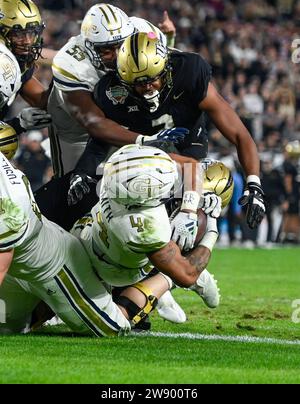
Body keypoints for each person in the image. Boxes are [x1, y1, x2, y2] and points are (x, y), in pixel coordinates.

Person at [79, 31, 266, 250]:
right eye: (139, 84)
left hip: (188, 150)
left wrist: (254, 183)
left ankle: (202, 234)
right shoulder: (111, 91)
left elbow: (239, 134)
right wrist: (83, 170)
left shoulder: (189, 73)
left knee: (217, 183)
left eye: (152, 79)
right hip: (146, 160)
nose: (147, 88)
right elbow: (100, 135)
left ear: (166, 69)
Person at [0, 122, 178, 336]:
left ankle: (165, 278)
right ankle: (45, 307)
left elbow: (3, 260)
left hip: (54, 267)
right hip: (20, 267)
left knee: (113, 328)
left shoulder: (8, 200)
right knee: (7, 327)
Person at [71, 144, 222, 324]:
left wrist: (189, 207)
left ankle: (163, 276)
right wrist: (212, 226)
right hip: (116, 270)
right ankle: (166, 279)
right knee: (113, 322)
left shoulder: (118, 173)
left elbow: (190, 165)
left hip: (84, 235)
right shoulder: (143, 229)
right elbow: (187, 275)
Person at [48, 3, 177, 178]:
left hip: (125, 112)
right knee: (73, 185)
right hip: (77, 129)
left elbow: (162, 69)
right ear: (90, 46)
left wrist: (168, 43)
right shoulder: (70, 62)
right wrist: (143, 140)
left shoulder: (144, 30)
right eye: (107, 49)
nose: (118, 55)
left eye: (122, 44)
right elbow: (94, 123)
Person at [0, 0, 51, 130]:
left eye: (32, 33)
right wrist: (17, 125)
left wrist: (63, 77)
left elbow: (43, 103)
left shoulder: (17, 62)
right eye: (19, 34)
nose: (28, 41)